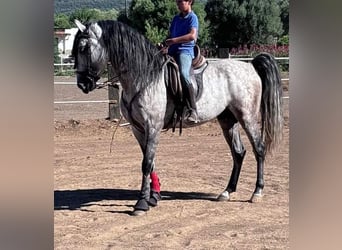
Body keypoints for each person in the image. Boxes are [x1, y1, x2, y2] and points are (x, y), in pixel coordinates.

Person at [164, 0, 199, 123]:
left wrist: (173, 41)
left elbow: (192, 36)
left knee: (184, 74)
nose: (178, 4)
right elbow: (170, 35)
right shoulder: (175, 19)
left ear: (189, 2)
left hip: (185, 51)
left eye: (180, 1)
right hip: (172, 51)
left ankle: (193, 110)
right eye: (177, 2)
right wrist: (164, 44)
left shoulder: (192, 18)